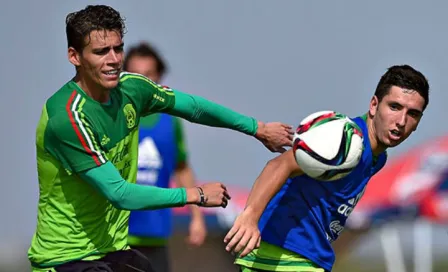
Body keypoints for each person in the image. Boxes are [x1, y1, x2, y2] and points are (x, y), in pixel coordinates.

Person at [27, 5, 292, 272]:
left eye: (117, 49)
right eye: (100, 52)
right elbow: (119, 193)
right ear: (74, 56)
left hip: (111, 252)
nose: (113, 59)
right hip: (65, 260)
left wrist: (257, 128)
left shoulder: (132, 89)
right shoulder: (68, 118)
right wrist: (196, 195)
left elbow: (193, 108)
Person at [223, 65, 430, 272]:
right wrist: (249, 217)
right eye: (394, 107)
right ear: (374, 105)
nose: (402, 121)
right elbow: (280, 164)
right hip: (281, 255)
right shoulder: (344, 139)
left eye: (412, 113)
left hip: (308, 258)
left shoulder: (379, 158)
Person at [123, 42, 207, 272]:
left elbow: (182, 169)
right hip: (115, 239)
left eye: (148, 75)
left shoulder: (170, 122)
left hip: (156, 237)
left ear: (159, 77)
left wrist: (196, 217)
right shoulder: (113, 117)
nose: (142, 82)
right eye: (134, 75)